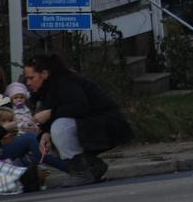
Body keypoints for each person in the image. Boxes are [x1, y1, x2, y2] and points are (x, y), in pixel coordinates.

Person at [24, 54, 133, 186]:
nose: (28, 83)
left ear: (45, 74)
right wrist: (45, 133)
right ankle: (92, 165)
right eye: (27, 79)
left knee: (60, 128)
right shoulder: (47, 90)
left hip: (107, 124)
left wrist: (50, 114)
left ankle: (81, 172)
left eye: (31, 78)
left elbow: (79, 107)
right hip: (91, 125)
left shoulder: (65, 82)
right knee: (52, 135)